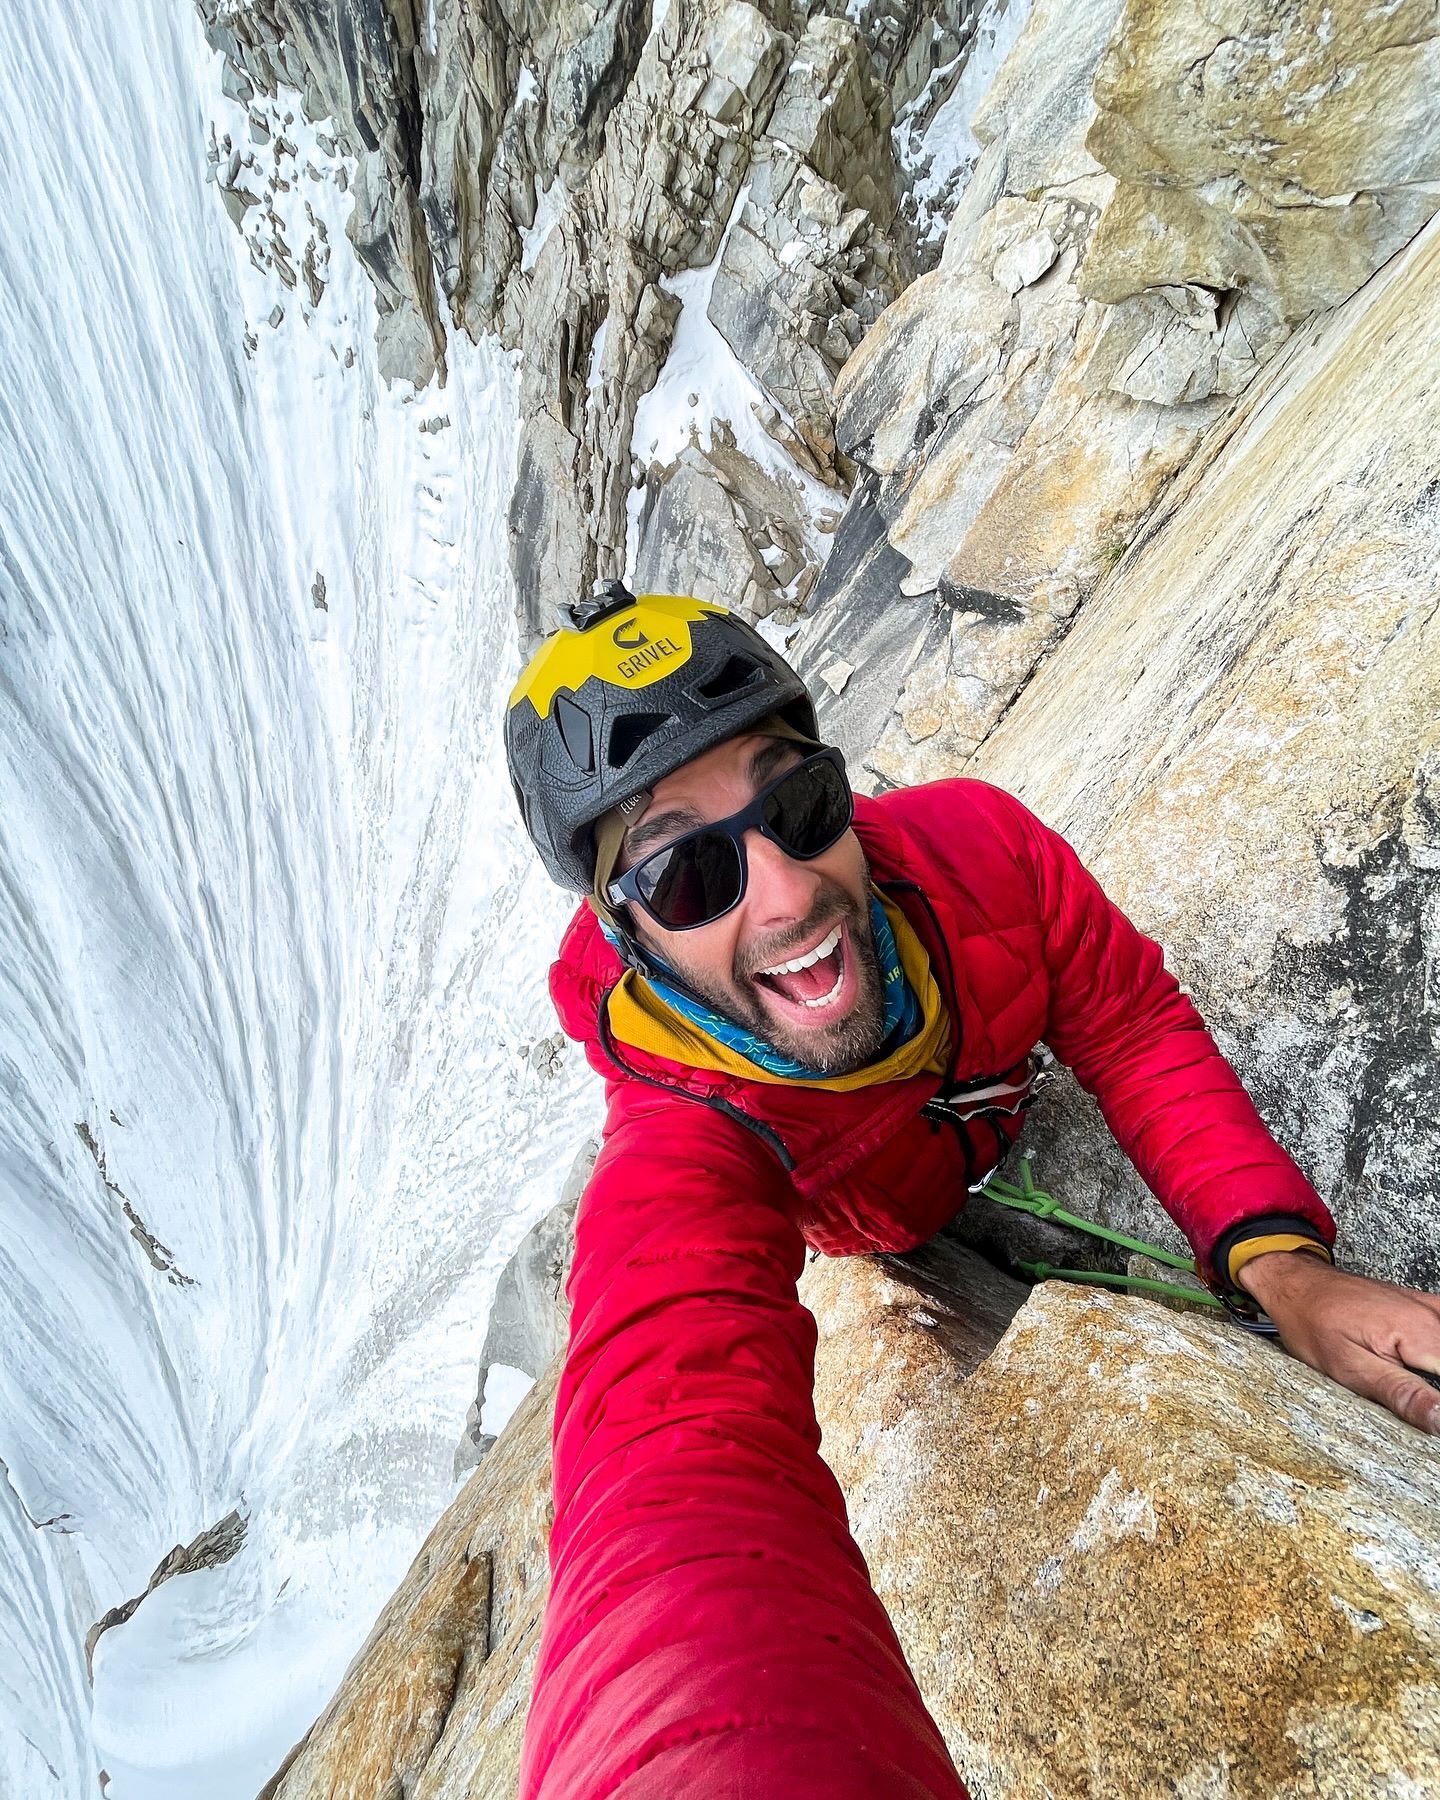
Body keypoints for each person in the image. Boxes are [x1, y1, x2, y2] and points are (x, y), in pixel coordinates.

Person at [507, 584, 1440, 1799]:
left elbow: (1126, 1022)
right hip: (895, 1221)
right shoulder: (684, 1135)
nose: (786, 893)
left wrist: (1283, 1266)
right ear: (628, 929)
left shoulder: (978, 856)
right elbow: (667, 1467)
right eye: (689, 875)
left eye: (799, 804)